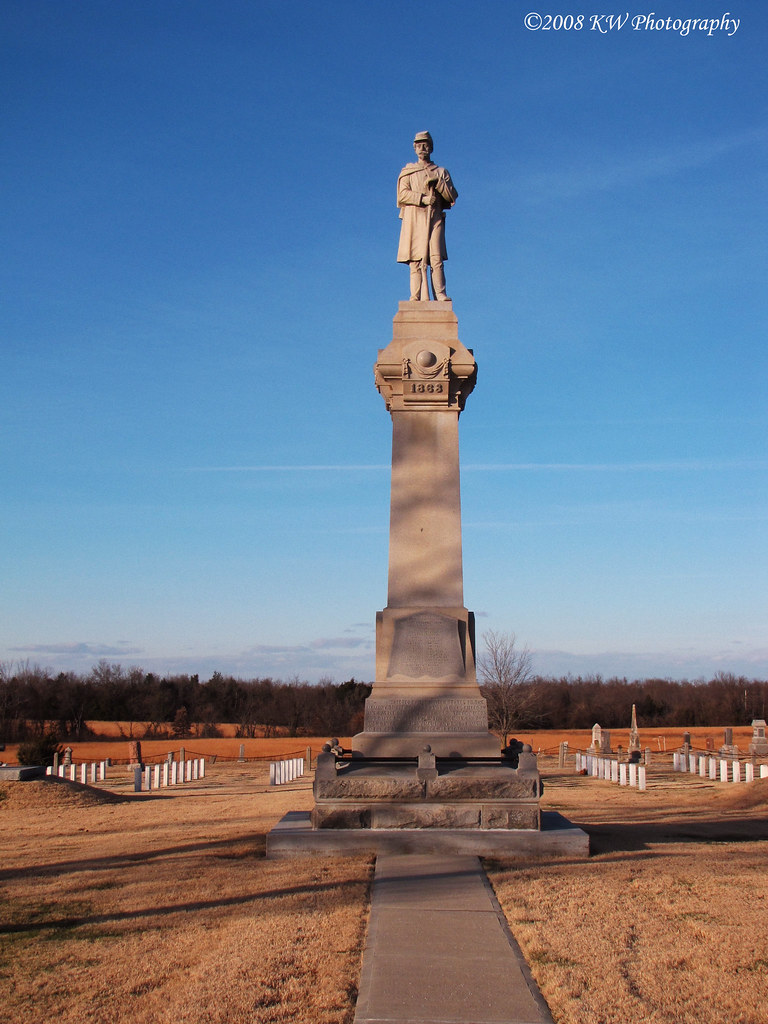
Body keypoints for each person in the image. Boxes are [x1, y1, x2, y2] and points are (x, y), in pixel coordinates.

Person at [397, 131, 458, 301]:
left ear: (431, 147)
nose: (422, 148)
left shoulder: (440, 172)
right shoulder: (408, 171)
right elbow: (402, 195)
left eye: (425, 144)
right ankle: (416, 296)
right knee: (416, 260)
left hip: (434, 219)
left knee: (436, 258)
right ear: (414, 148)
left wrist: (437, 182)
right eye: (419, 145)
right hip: (414, 220)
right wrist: (423, 198)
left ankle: (440, 294)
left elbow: (452, 196)